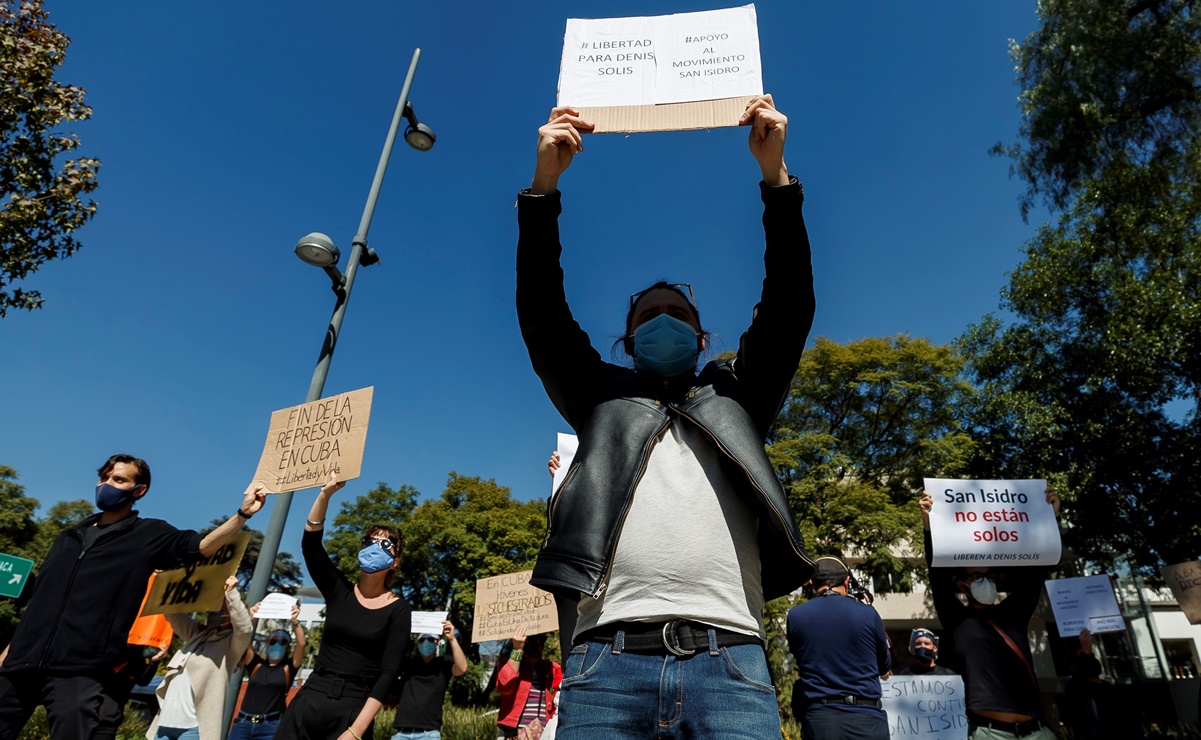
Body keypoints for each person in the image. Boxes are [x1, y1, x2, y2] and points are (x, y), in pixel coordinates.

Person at [516, 94, 815, 739]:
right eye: (647, 318)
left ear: (704, 338)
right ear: (624, 344)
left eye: (676, 315)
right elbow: (543, 314)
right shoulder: (601, 398)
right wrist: (544, 188)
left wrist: (775, 177)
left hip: (731, 663)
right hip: (604, 666)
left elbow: (788, 308)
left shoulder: (737, 396)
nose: (662, 323)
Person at [0, 454, 266, 740]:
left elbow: (202, 547)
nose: (106, 484)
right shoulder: (68, 537)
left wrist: (242, 514)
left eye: (118, 479)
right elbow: (41, 601)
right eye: (104, 477)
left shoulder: (150, 534)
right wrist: (10, 649)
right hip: (21, 664)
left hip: (81, 670)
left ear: (139, 490)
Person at [275, 473, 411, 740]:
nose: (375, 548)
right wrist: (325, 495)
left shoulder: (399, 610)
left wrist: (356, 731)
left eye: (385, 545)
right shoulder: (339, 591)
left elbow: (388, 673)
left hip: (352, 712)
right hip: (309, 701)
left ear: (395, 561)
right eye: (370, 542)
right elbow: (311, 545)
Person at [920, 487, 1060, 740]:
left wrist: (1050, 519)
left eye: (990, 575)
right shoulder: (957, 619)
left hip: (1036, 732)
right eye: (977, 576)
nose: (986, 581)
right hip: (989, 733)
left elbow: (1036, 572)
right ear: (962, 585)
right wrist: (929, 525)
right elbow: (936, 575)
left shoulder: (1014, 613)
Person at [786, 557, 890, 740]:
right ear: (847, 581)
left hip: (822, 721)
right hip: (867, 719)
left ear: (812, 583)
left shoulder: (795, 616)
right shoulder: (868, 613)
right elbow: (884, 664)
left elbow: (800, 657)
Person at [147, 576, 254, 740]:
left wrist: (232, 594)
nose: (216, 613)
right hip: (165, 723)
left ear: (232, 617)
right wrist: (165, 582)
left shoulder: (231, 647)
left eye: (222, 610)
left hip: (193, 729)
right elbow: (173, 614)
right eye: (216, 608)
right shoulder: (195, 635)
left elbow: (244, 628)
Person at [229, 604, 306, 739]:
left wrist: (295, 622)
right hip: (243, 723)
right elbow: (244, 638)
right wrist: (251, 618)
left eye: (282, 642)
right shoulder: (255, 664)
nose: (278, 644)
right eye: (274, 641)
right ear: (268, 644)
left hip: (271, 726)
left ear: (287, 647)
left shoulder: (288, 668)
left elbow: (301, 644)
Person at [390, 620, 468, 740]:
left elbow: (462, 668)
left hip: (429, 734)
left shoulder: (444, 664)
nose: (426, 643)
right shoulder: (408, 664)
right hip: (401, 733)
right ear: (417, 643)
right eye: (422, 640)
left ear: (437, 642)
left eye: (430, 640)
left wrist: (452, 639)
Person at [1062, 629, 1141, 740]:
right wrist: (1086, 651)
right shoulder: (1078, 690)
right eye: (1082, 656)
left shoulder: (1111, 690)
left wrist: (1086, 652)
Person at [494, 626, 561, 740]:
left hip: (542, 734)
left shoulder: (551, 668)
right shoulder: (507, 663)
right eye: (531, 639)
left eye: (540, 638)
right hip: (513, 735)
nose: (537, 643)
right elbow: (505, 686)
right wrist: (517, 650)